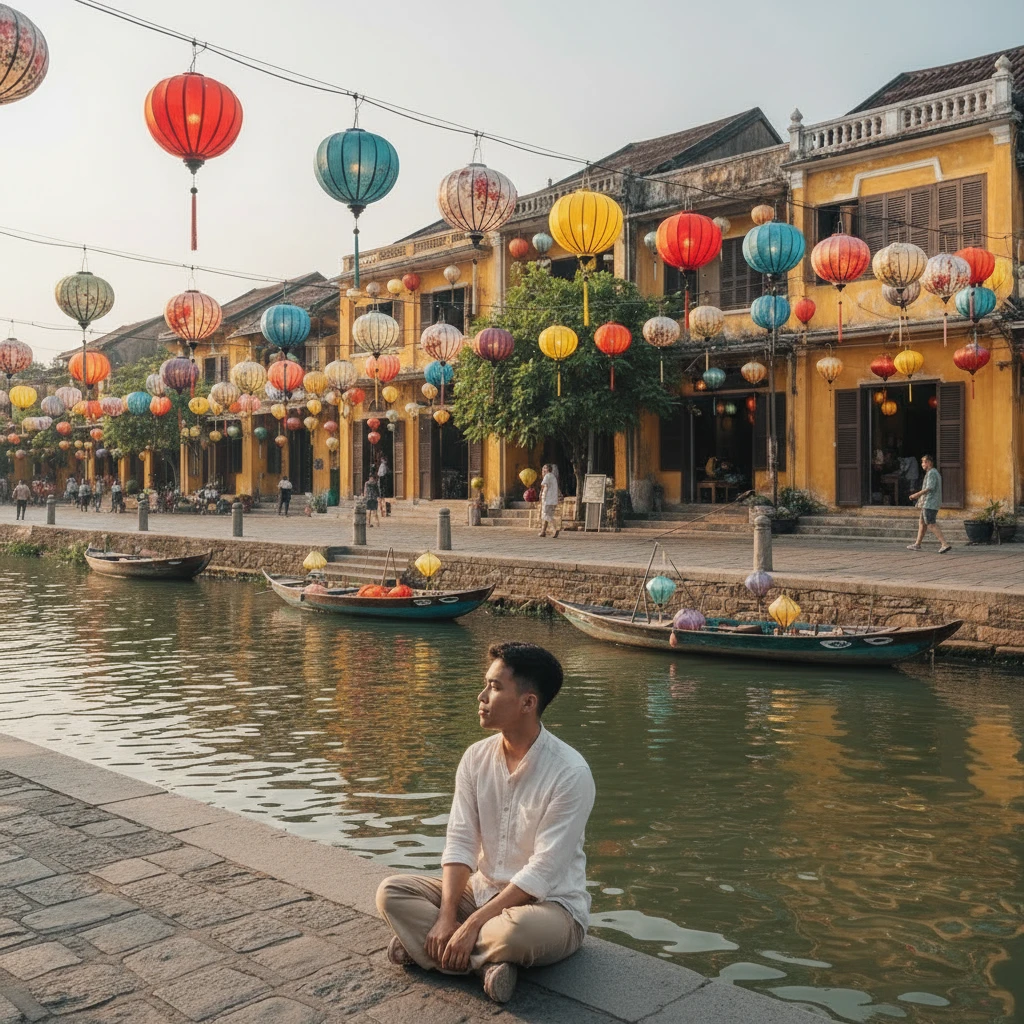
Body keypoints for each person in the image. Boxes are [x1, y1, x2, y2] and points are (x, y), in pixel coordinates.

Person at [376, 642, 594, 1005]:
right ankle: (483, 967)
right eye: (485, 684)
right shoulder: (475, 758)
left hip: (551, 908)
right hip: (480, 893)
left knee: (515, 932)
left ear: (528, 703)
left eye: (494, 687)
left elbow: (542, 872)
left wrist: (471, 925)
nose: (481, 696)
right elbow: (460, 840)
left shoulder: (571, 773)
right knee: (391, 892)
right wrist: (448, 917)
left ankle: (426, 950)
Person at [908, 455, 951, 553]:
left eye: (924, 462)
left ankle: (944, 544)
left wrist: (916, 495)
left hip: (930, 502)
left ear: (930, 463)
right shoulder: (933, 473)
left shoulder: (932, 473)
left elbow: (929, 488)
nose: (923, 464)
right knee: (922, 523)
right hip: (928, 503)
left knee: (931, 523)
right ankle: (917, 544)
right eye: (922, 462)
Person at [538, 464, 559, 538]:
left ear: (548, 469)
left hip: (547, 499)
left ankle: (554, 528)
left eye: (544, 468)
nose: (543, 470)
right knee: (547, 515)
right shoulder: (553, 477)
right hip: (553, 500)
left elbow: (545, 486)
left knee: (546, 515)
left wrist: (542, 495)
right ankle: (543, 531)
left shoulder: (547, 476)